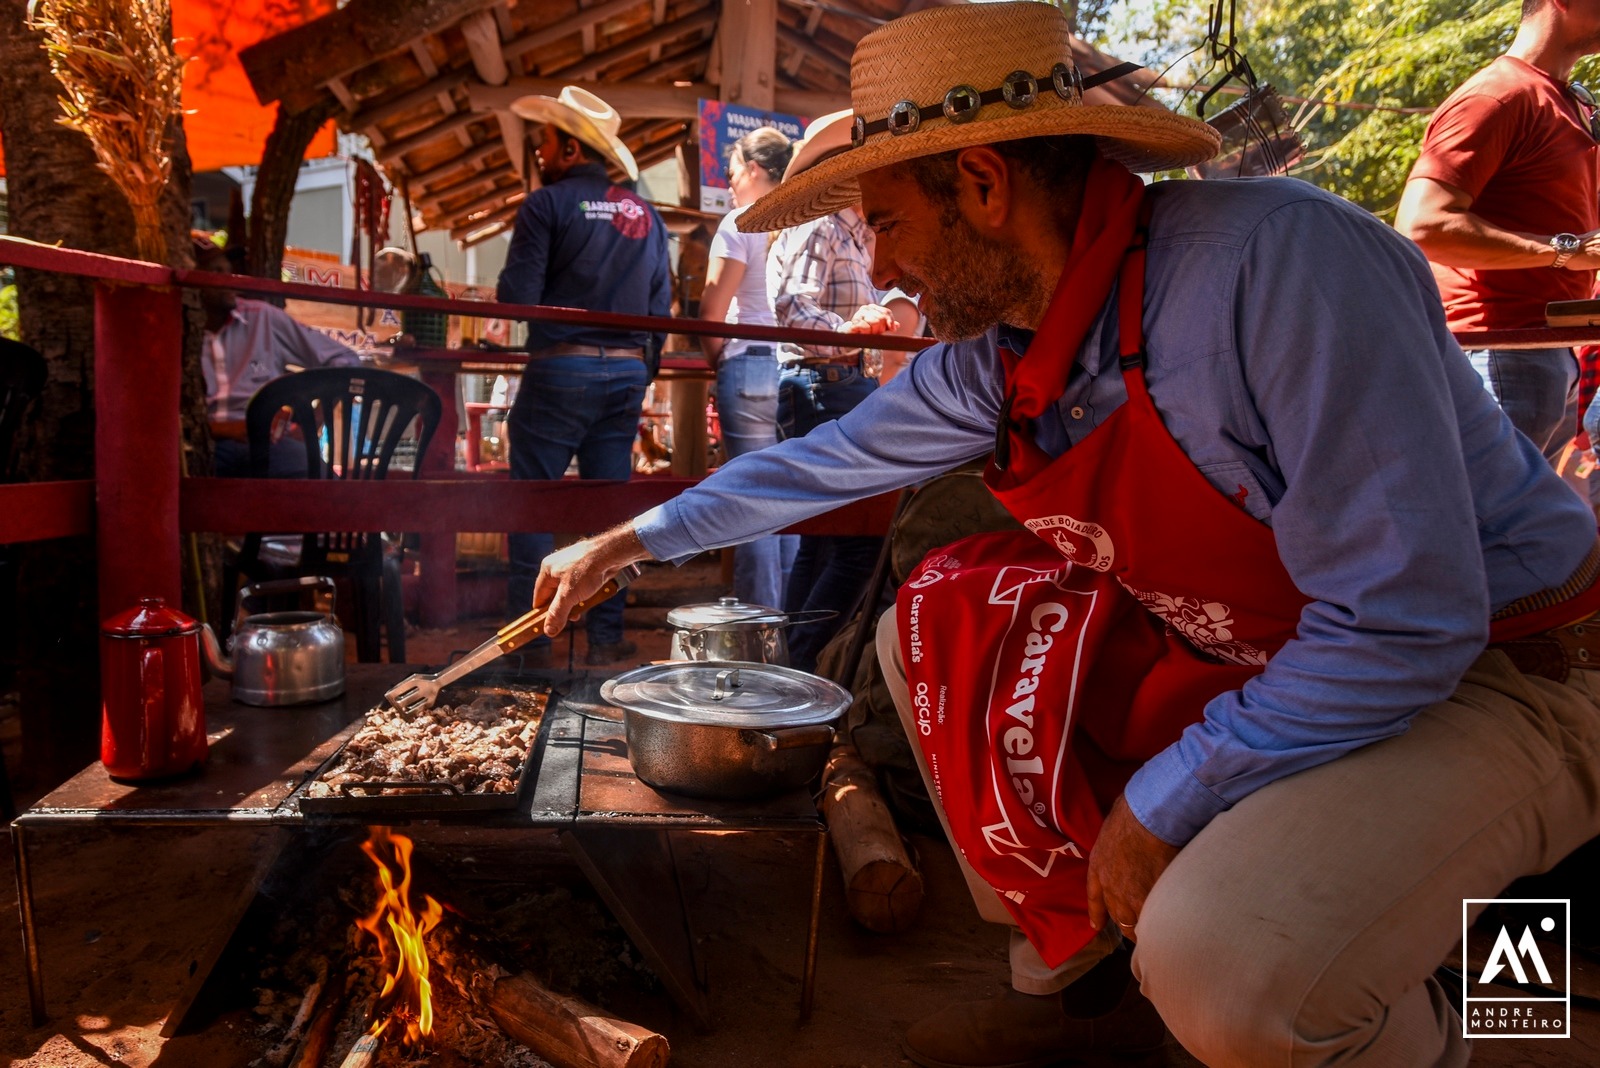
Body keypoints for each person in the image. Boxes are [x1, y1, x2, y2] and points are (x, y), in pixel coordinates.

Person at [531, 4, 1600, 1066]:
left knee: (1228, 969)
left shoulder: (1276, 267)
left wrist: (1166, 797)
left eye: (886, 225)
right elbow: (813, 466)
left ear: (985, 186)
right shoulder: (997, 355)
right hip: (1273, 652)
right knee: (941, 622)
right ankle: (1076, 1005)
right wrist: (625, 543)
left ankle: (1463, 1034)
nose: (884, 272)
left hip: (1500, 667)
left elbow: (1409, 622)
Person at [497, 85, 672, 667]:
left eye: (546, 142)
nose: (540, 152)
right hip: (624, 375)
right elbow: (658, 310)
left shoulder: (544, 206)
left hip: (560, 369)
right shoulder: (647, 215)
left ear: (570, 149)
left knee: (532, 505)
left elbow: (517, 299)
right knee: (608, 512)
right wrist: (640, 373)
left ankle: (528, 647)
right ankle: (604, 638)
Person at [1395, 0, 1600, 463]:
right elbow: (1423, 225)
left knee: (1527, 531)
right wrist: (1567, 251)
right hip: (1499, 352)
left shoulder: (1564, 99)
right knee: (1497, 529)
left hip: (1544, 354)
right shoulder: (1499, 94)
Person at [767, 110, 898, 671]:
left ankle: (790, 667)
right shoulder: (819, 224)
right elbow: (792, 307)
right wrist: (850, 334)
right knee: (857, 541)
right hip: (823, 384)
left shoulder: (860, 228)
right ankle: (803, 669)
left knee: (824, 539)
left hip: (840, 384)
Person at [698, 126, 797, 608]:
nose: (731, 182)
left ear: (755, 170)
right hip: (795, 366)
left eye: (734, 171)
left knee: (752, 501)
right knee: (790, 496)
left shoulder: (740, 222)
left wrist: (719, 360)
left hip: (749, 362)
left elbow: (712, 310)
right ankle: (791, 623)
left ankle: (759, 626)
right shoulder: (803, 221)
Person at [195, 238, 362, 477]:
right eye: (215, 272)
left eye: (228, 271)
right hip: (205, 445)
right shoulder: (175, 329)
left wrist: (311, 422)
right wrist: (223, 429)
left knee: (329, 487)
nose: (228, 280)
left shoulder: (262, 318)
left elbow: (346, 360)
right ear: (192, 280)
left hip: (267, 444)